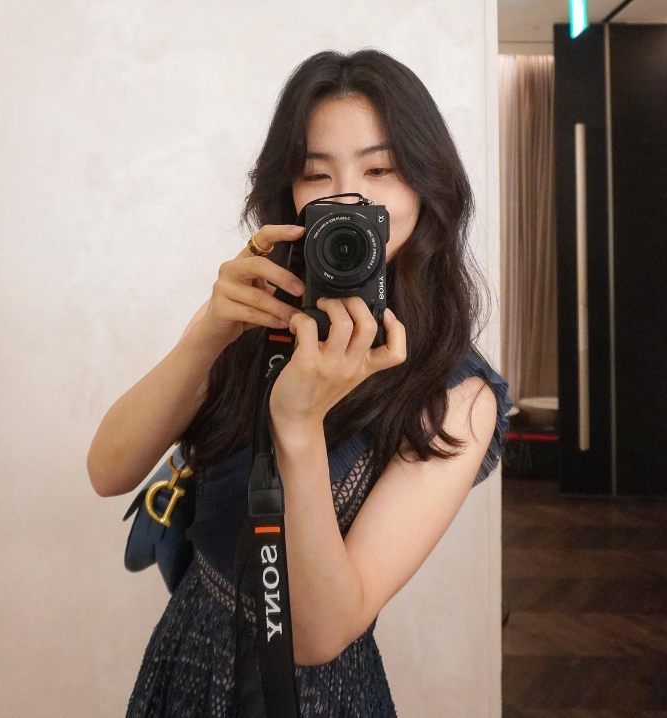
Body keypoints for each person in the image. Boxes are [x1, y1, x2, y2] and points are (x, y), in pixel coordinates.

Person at [87, 48, 514, 718]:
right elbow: (109, 470)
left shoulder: (456, 396)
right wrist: (208, 333)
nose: (347, 197)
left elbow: (317, 637)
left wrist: (297, 426)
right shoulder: (259, 311)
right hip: (186, 657)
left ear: (426, 186)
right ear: (289, 193)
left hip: (313, 696)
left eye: (380, 169)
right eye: (317, 174)